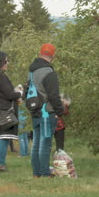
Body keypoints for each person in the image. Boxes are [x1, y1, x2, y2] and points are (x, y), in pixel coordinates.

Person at [26, 43, 64, 178]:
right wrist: (60, 112)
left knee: (36, 142)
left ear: (40, 53)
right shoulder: (49, 73)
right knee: (45, 143)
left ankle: (36, 172)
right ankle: (44, 173)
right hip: (47, 112)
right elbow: (54, 96)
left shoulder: (31, 71)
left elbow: (27, 91)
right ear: (53, 55)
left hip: (35, 110)